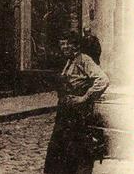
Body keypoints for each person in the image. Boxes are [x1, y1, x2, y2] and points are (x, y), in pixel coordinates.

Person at [44, 31, 111, 174]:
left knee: (76, 151)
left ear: (75, 45)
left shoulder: (84, 60)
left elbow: (103, 80)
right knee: (59, 150)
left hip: (77, 114)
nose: (64, 47)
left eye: (67, 43)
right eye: (61, 44)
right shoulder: (70, 61)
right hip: (65, 113)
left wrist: (85, 97)